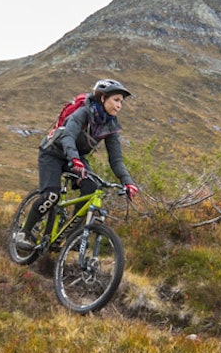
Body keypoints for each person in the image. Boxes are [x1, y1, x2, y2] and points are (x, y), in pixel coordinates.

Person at [18, 78, 140, 249]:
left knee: (91, 187)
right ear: (103, 98)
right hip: (53, 152)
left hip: (76, 159)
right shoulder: (82, 113)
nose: (119, 105)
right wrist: (74, 158)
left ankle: (70, 236)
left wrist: (128, 182)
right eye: (116, 100)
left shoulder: (111, 126)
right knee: (51, 196)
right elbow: (68, 136)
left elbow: (116, 159)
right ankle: (23, 232)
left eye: (121, 101)